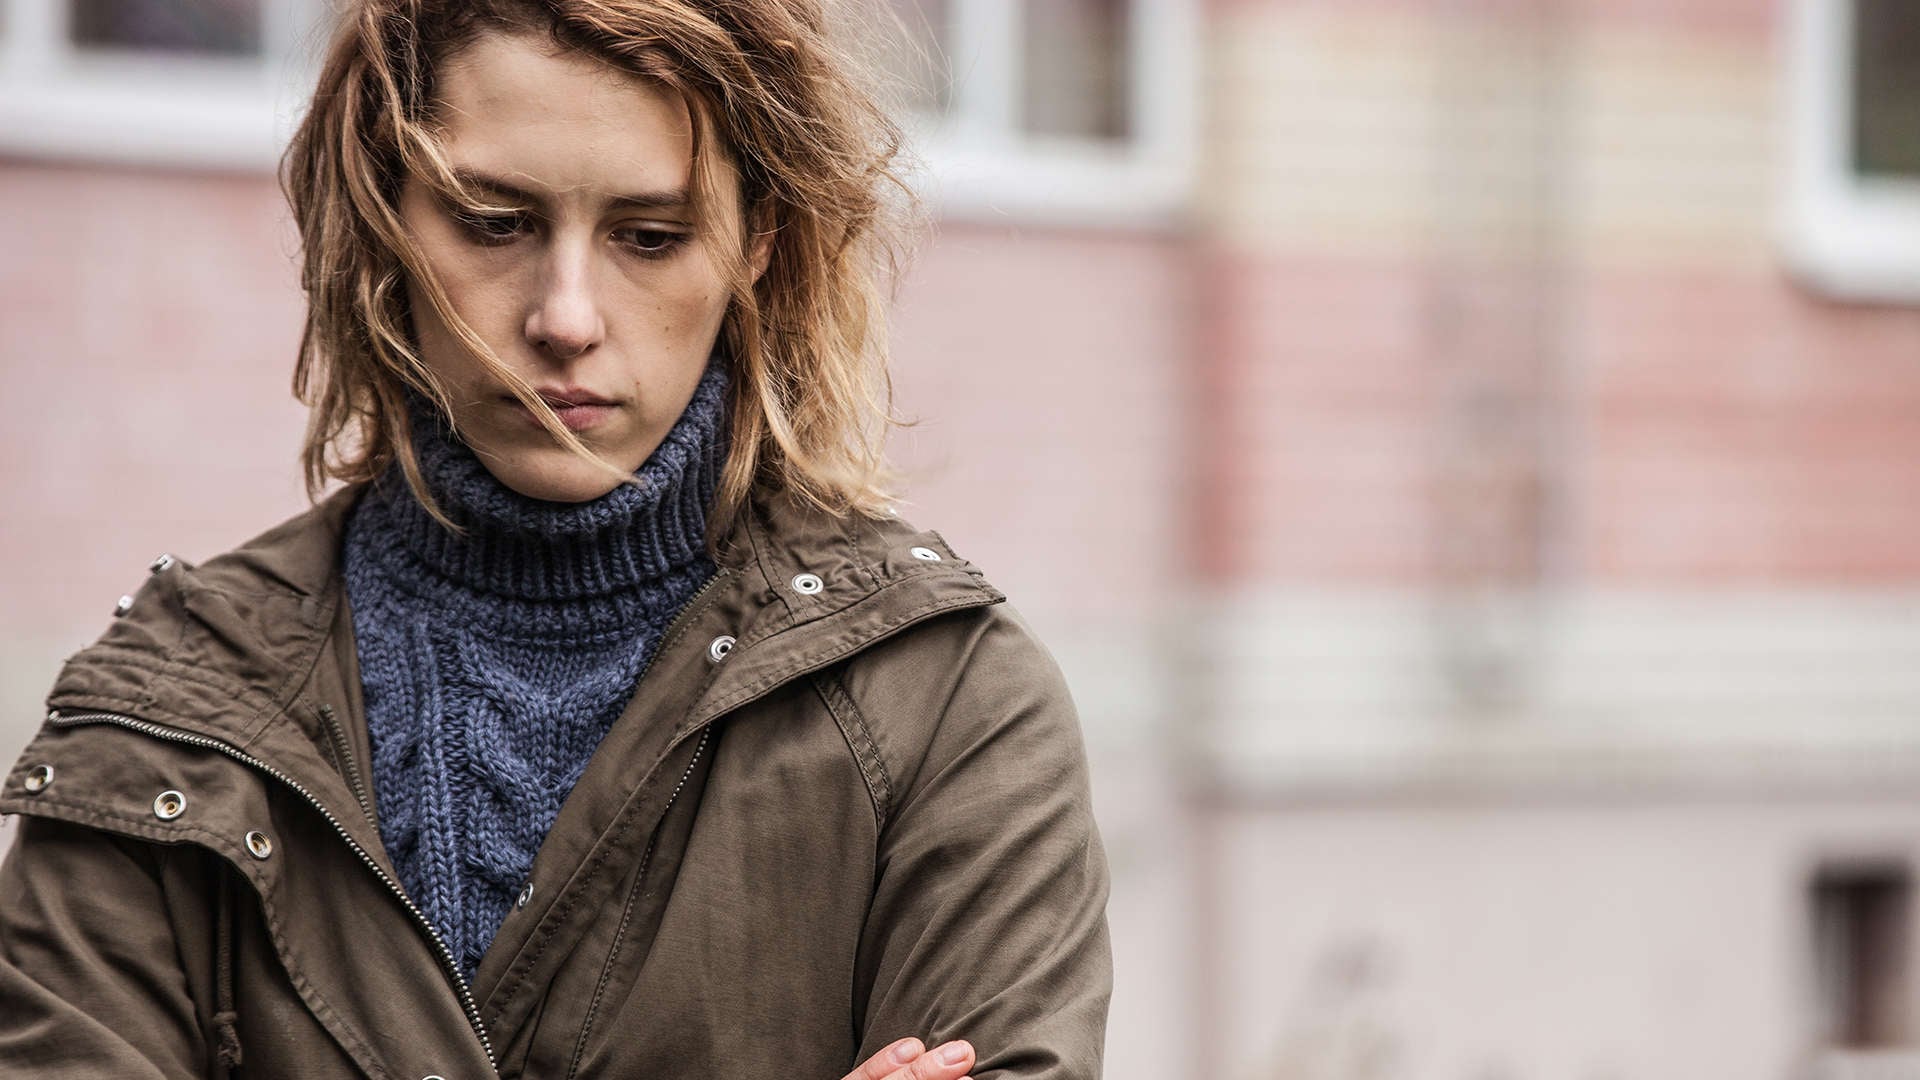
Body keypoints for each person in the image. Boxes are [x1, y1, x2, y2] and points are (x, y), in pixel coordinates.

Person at [0, 2, 1112, 1077]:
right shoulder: (172, 718)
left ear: (758, 241)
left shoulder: (942, 704)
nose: (566, 318)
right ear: (386, 215)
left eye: (650, 237)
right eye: (493, 223)